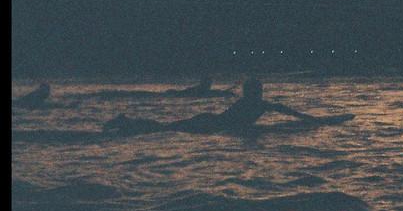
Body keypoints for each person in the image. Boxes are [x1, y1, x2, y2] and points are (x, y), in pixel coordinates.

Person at [103, 77, 320, 135]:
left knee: (166, 126)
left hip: (209, 121)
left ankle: (128, 123)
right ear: (257, 91)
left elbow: (290, 112)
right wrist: (316, 121)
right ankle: (127, 123)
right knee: (165, 127)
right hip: (210, 125)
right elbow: (293, 113)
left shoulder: (249, 102)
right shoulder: (260, 104)